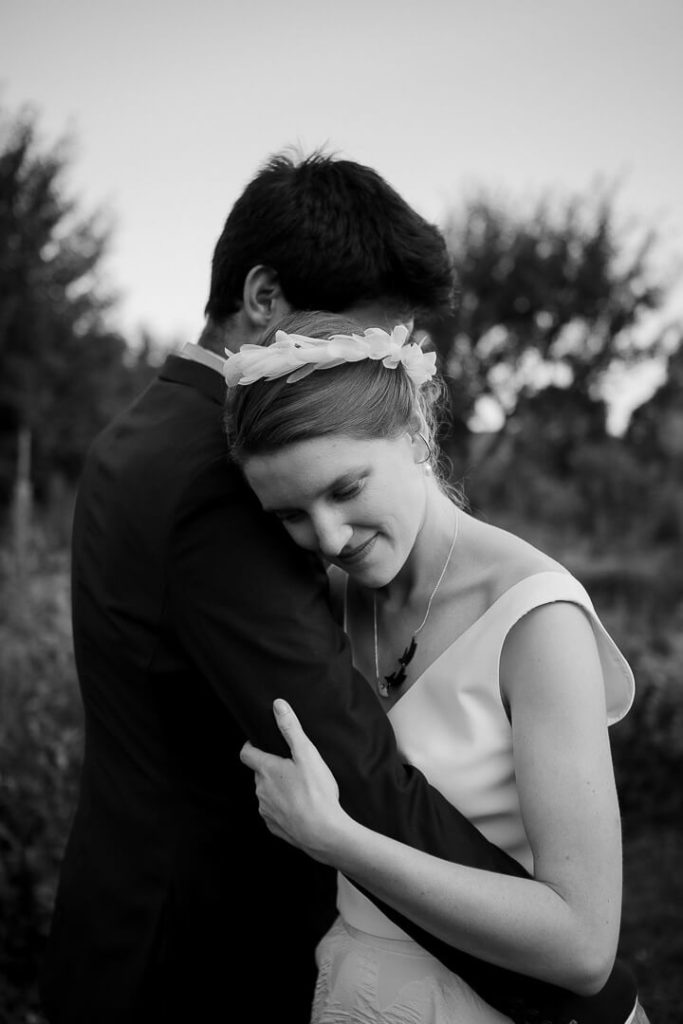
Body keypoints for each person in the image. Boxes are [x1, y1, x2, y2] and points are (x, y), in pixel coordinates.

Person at [40, 151, 638, 1024]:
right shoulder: (219, 467)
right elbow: (351, 765)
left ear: (411, 423)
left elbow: (572, 931)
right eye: (348, 334)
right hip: (199, 961)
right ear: (264, 298)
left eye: (386, 349)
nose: (365, 364)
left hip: (143, 927)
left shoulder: (137, 434)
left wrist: (588, 993)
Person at [228, 311, 648, 1024]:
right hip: (353, 987)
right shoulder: (321, 605)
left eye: (344, 489)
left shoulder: (534, 619)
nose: (327, 538)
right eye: (290, 516)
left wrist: (337, 840)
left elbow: (582, 946)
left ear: (416, 433)